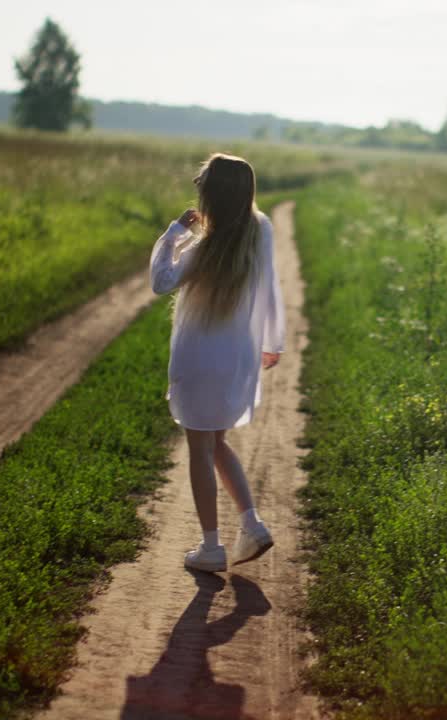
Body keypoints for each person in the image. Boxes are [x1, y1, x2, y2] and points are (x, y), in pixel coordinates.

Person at [149, 153, 284, 573]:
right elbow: (273, 287)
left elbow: (161, 282)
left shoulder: (204, 246)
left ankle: (211, 546)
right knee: (218, 442)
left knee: (199, 448)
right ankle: (252, 524)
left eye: (201, 183)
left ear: (211, 195)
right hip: (237, 356)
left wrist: (174, 233)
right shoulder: (259, 232)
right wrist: (273, 341)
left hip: (200, 356)